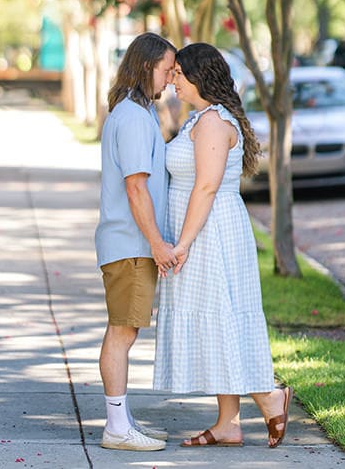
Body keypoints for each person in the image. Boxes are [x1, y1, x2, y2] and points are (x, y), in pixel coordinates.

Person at [153, 43, 293, 448]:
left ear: (199, 77)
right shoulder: (201, 118)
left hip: (209, 232)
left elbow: (208, 186)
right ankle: (229, 423)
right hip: (203, 228)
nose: (173, 79)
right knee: (218, 320)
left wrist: (182, 243)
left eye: (179, 72)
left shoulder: (213, 122)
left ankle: (268, 396)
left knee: (222, 319)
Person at [96, 32, 178, 452]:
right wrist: (158, 244)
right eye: (167, 69)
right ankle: (116, 428)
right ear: (148, 66)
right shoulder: (130, 117)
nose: (170, 78)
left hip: (133, 244)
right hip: (130, 244)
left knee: (125, 331)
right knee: (122, 333)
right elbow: (135, 188)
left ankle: (122, 417)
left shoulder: (139, 112)